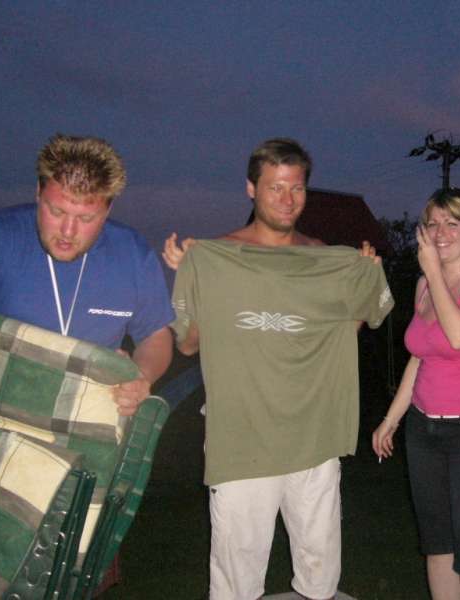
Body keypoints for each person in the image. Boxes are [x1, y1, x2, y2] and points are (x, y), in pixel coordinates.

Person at [163, 138, 394, 600]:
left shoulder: (323, 257)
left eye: (297, 188)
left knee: (320, 577)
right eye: (275, 187)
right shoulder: (217, 256)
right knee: (236, 582)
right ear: (251, 189)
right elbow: (187, 343)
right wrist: (190, 277)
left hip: (314, 438)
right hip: (241, 440)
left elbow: (347, 327)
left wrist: (364, 273)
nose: (288, 199)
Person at [0, 133, 174, 459]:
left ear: (108, 209)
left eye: (85, 218)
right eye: (56, 211)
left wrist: (141, 375)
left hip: (83, 439)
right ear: (38, 192)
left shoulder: (133, 254)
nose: (68, 231)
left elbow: (156, 335)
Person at [372, 187, 460, 600]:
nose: (440, 232)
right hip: (424, 433)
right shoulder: (422, 286)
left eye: (452, 223)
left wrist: (434, 273)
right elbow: (419, 358)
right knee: (438, 549)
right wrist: (391, 419)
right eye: (432, 223)